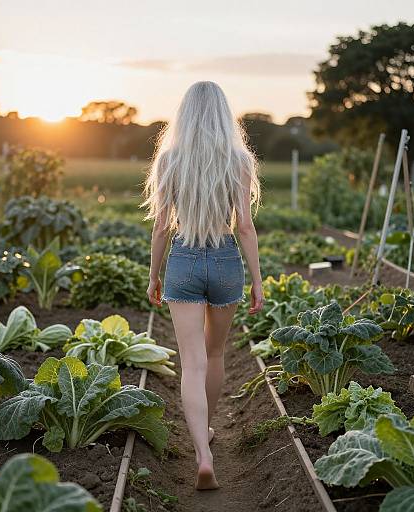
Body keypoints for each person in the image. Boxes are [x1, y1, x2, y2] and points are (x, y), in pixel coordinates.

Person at [142, 81, 263, 490]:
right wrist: (258, 282)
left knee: (190, 363)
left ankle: (202, 453)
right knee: (214, 354)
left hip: (185, 259)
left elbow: (161, 227)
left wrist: (154, 275)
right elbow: (244, 226)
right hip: (226, 259)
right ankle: (207, 432)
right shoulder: (239, 159)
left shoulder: (169, 159)